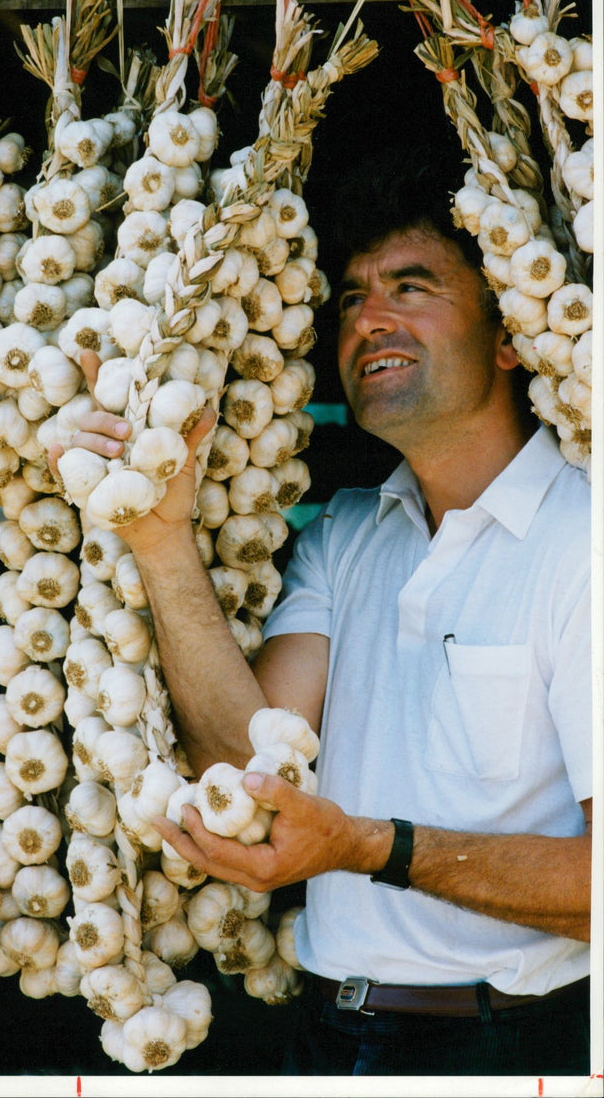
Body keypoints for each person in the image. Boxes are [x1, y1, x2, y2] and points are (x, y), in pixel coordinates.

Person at [54, 146, 593, 1077]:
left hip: (513, 1043)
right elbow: (240, 766)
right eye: (351, 299)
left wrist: (365, 845)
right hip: (328, 1034)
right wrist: (161, 539)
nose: (368, 319)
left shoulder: (583, 542)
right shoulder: (345, 535)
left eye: (410, 287)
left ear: (509, 336)